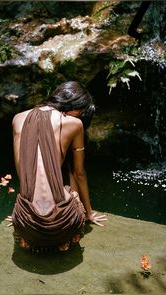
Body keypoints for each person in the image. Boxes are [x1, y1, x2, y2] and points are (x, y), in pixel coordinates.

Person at [6, 81, 107, 251]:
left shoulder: (17, 119)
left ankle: (30, 236)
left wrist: (20, 214)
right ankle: (66, 236)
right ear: (76, 106)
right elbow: (79, 173)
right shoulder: (74, 124)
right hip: (62, 227)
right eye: (81, 113)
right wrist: (88, 213)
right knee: (70, 176)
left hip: (26, 225)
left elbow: (24, 168)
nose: (80, 117)